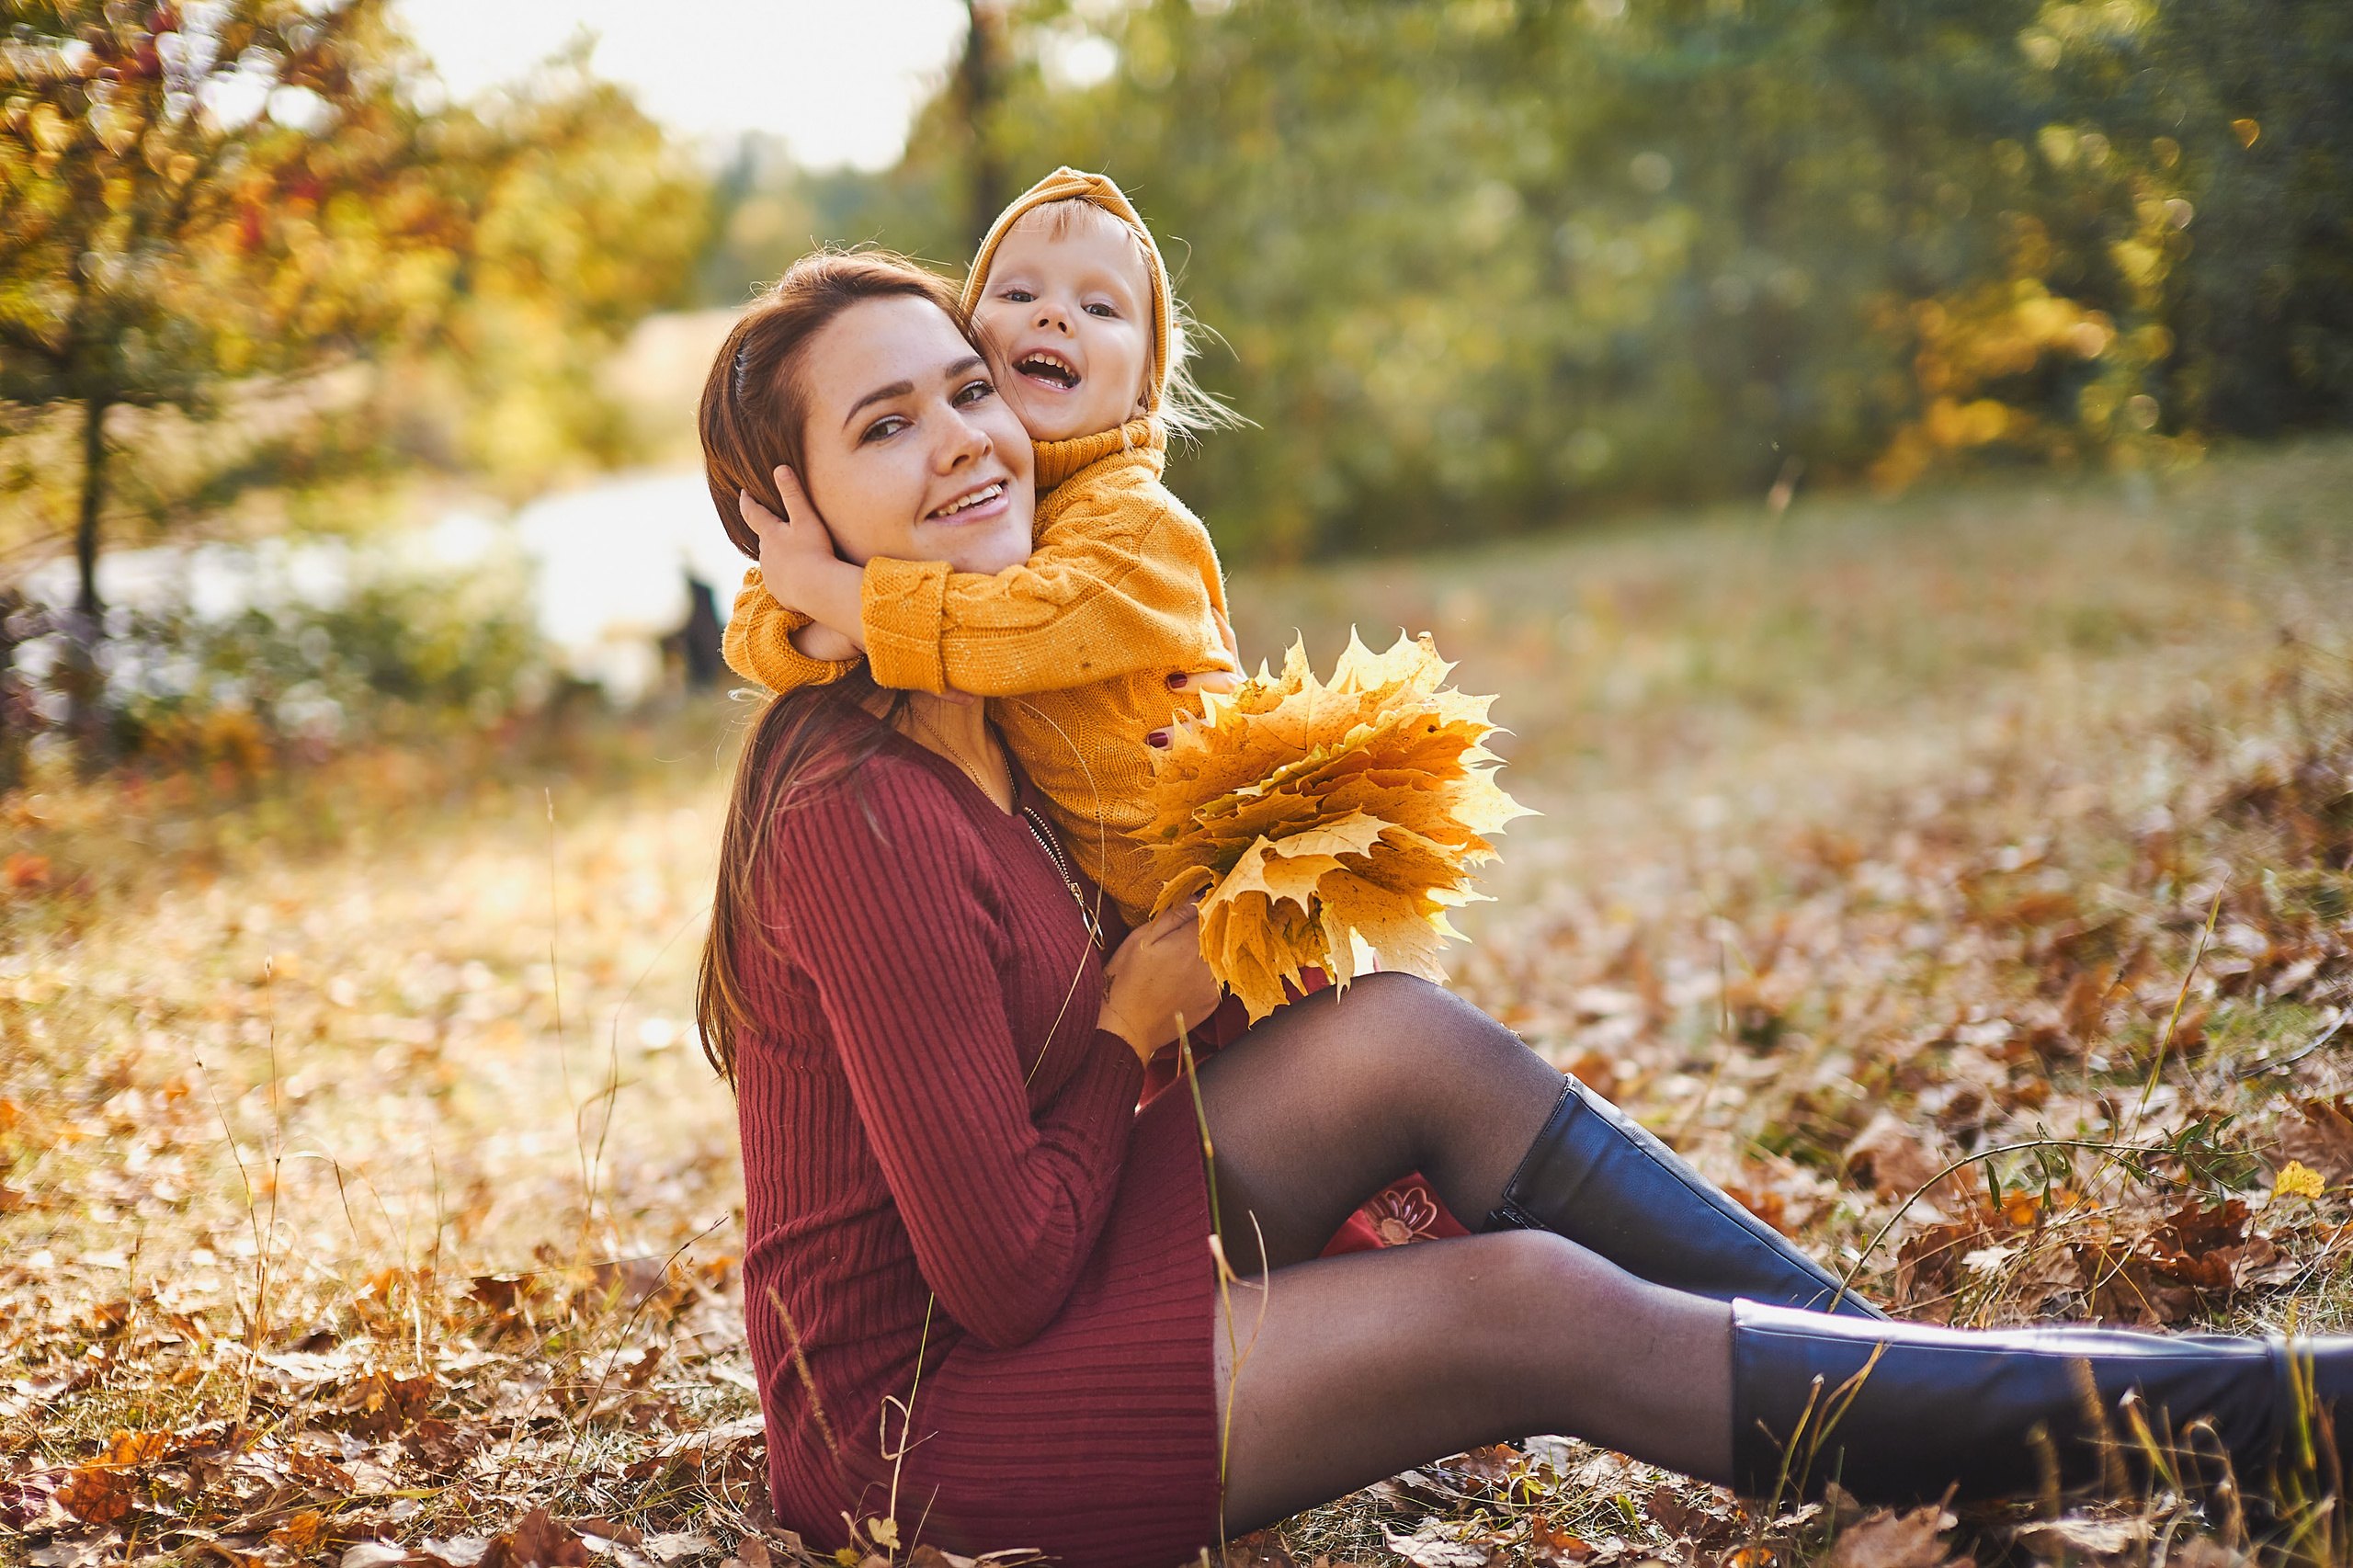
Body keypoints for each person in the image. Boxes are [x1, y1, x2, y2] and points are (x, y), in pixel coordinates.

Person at [696, 250, 2350, 1568]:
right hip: (935, 1412)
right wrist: (1134, 1022)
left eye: (968, 388)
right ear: (791, 522)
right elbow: (998, 1274)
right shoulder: (860, 814)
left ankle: (1903, 1391)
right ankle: (2280, 1420)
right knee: (1531, 1304)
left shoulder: (1006, 717)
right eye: (885, 427)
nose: (968, 437)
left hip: (1054, 1231)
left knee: (1397, 1038)